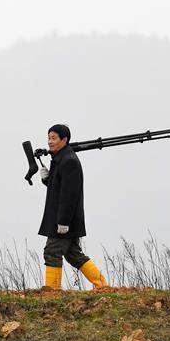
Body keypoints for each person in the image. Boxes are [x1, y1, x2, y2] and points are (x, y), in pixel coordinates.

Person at [38, 124, 107, 290]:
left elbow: (69, 195)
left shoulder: (69, 161)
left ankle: (52, 290)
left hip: (64, 221)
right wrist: (47, 179)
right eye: (49, 138)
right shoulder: (61, 159)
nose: (50, 141)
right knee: (73, 254)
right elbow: (59, 188)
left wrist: (63, 222)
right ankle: (102, 285)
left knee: (52, 251)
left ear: (64, 140)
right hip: (65, 220)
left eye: (54, 138)